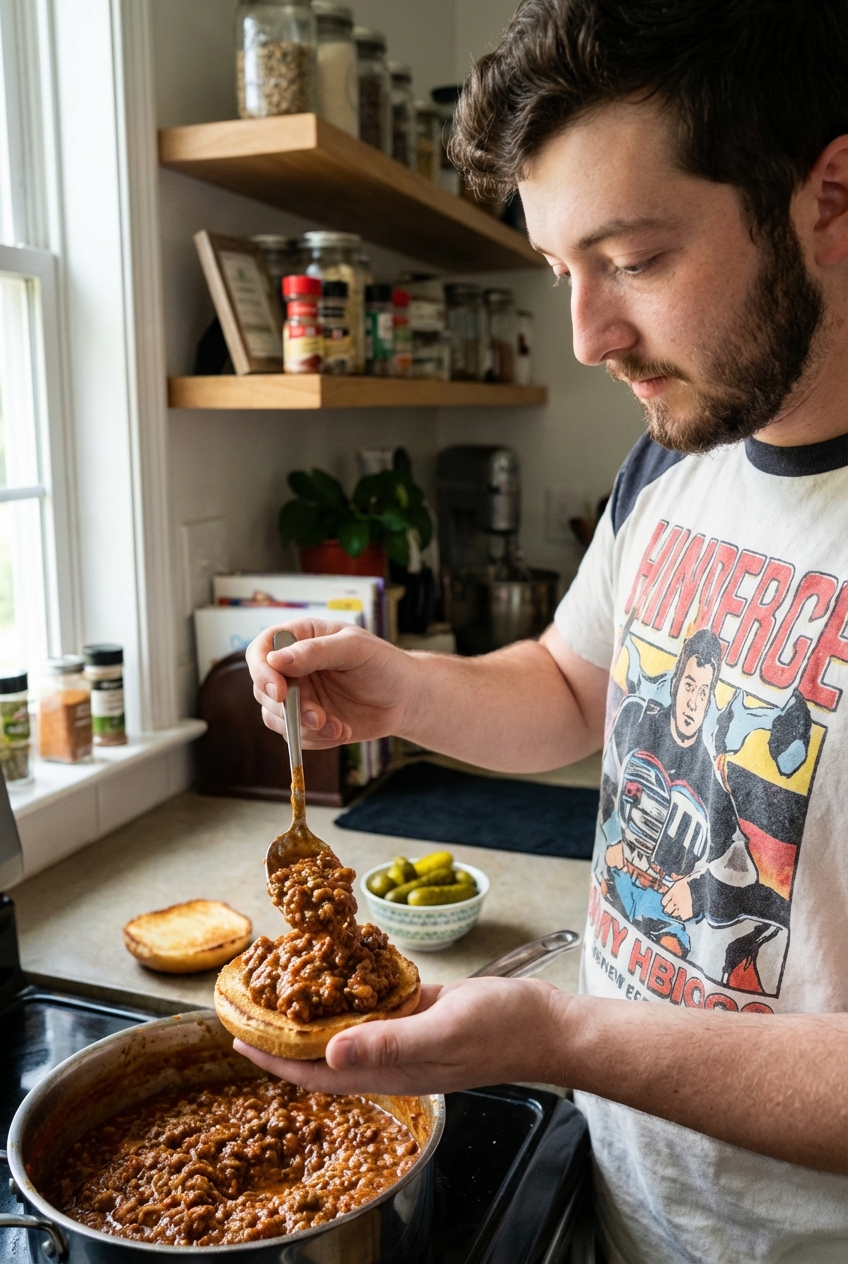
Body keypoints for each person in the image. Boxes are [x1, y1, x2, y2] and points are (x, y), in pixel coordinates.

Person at [242, 2, 848, 1260]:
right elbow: (575, 684)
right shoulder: (675, 456)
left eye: (633, 258)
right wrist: (403, 688)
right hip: (627, 1198)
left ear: (829, 200)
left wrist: (560, 1034)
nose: (585, 338)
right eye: (562, 271)